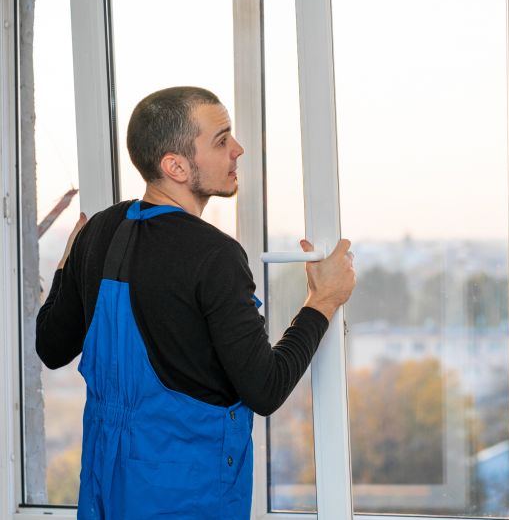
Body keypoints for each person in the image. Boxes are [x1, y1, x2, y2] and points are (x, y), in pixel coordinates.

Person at [35, 86, 356, 519]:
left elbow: (51, 348)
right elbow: (265, 388)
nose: (238, 150)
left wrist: (65, 268)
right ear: (177, 166)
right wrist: (323, 301)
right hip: (187, 498)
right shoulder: (215, 255)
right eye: (221, 140)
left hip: (105, 491)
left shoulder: (101, 230)